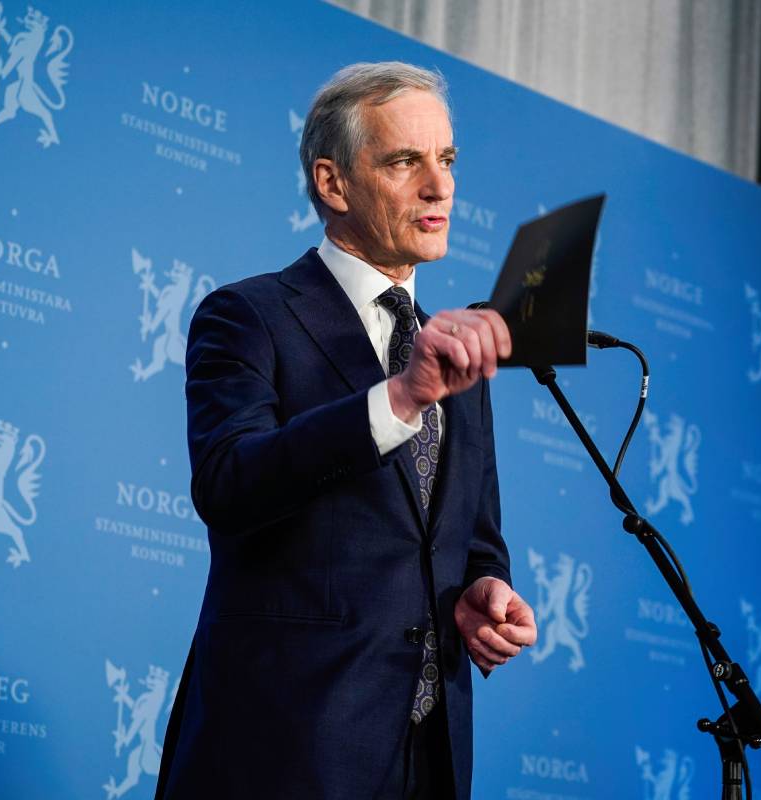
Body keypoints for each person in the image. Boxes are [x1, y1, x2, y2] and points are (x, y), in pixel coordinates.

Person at [155, 62, 538, 800]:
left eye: (447, 158)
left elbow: (473, 539)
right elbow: (229, 484)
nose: (440, 186)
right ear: (333, 184)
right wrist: (399, 397)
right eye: (405, 161)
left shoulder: (450, 349)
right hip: (285, 749)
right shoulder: (250, 316)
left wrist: (485, 590)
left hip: (430, 756)